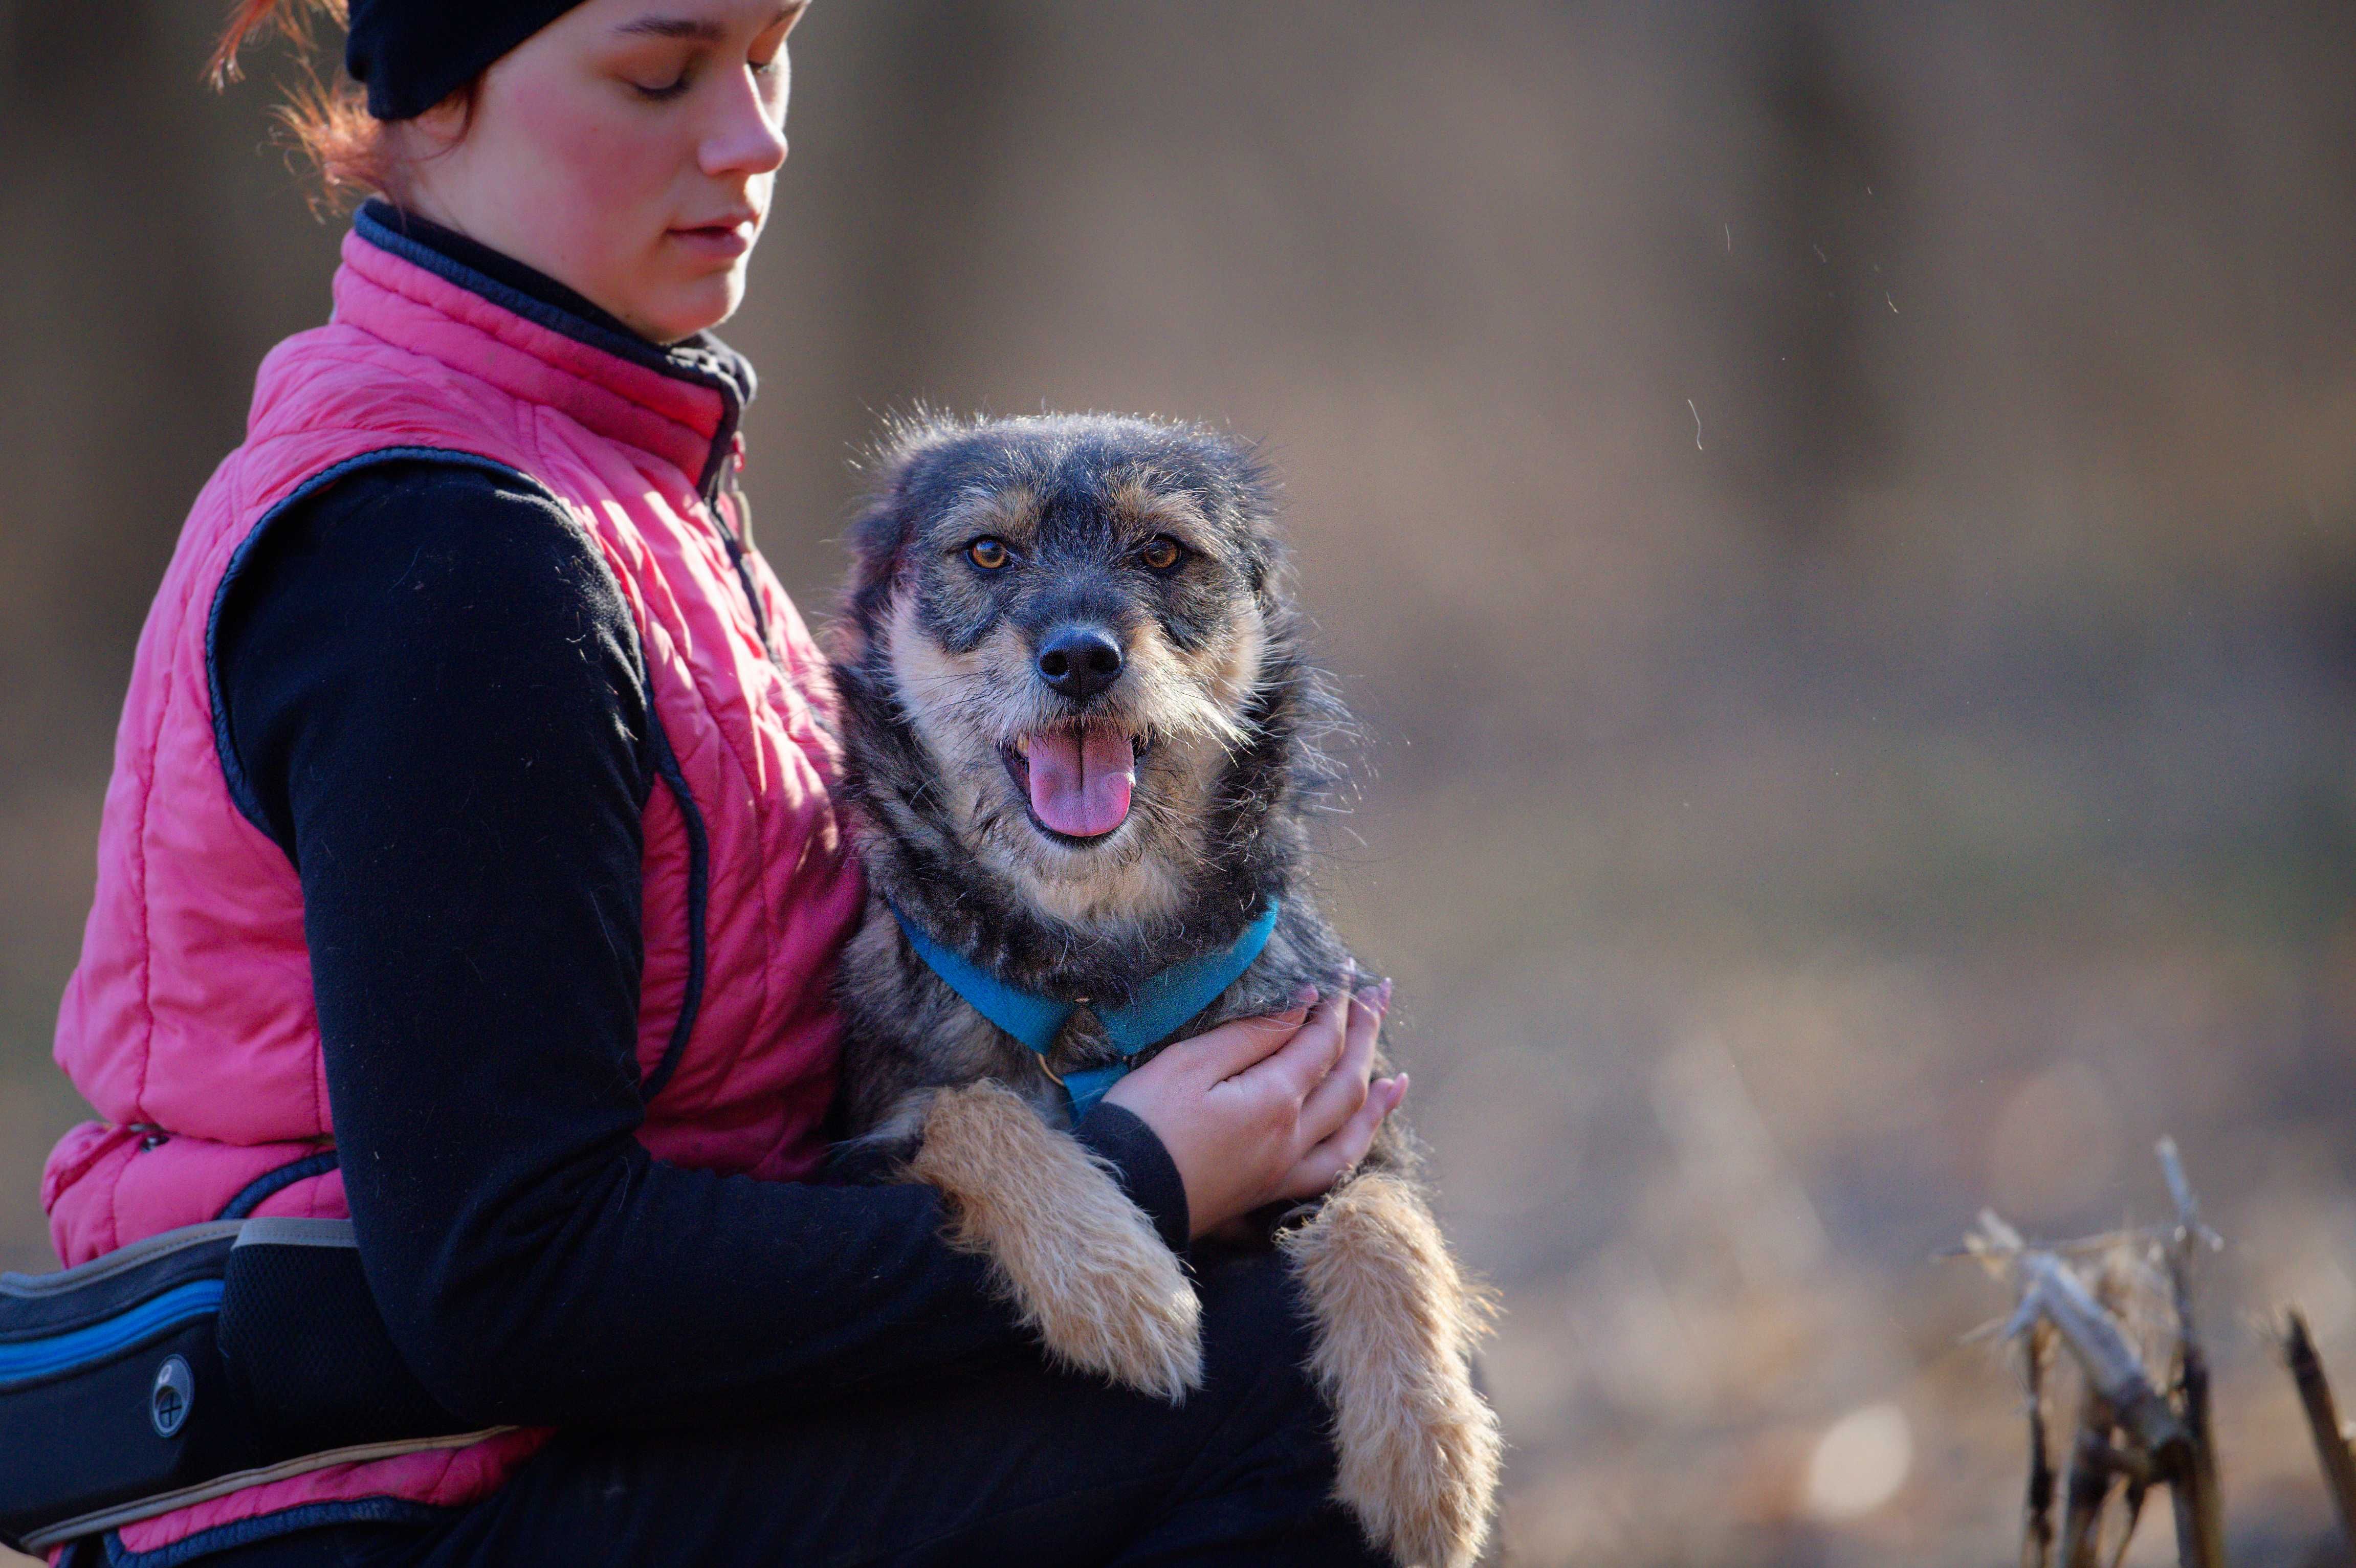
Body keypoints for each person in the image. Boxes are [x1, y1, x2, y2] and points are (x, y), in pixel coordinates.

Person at [39, 1, 1405, 1562]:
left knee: (1335, 1324)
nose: (752, 138)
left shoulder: (618, 482)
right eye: (661, 71)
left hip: (579, 1446)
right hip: (375, 1507)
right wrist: (1122, 1182)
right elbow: (513, 1279)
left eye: (769, 54)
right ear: (439, 102)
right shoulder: (443, 553)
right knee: (1289, 1397)